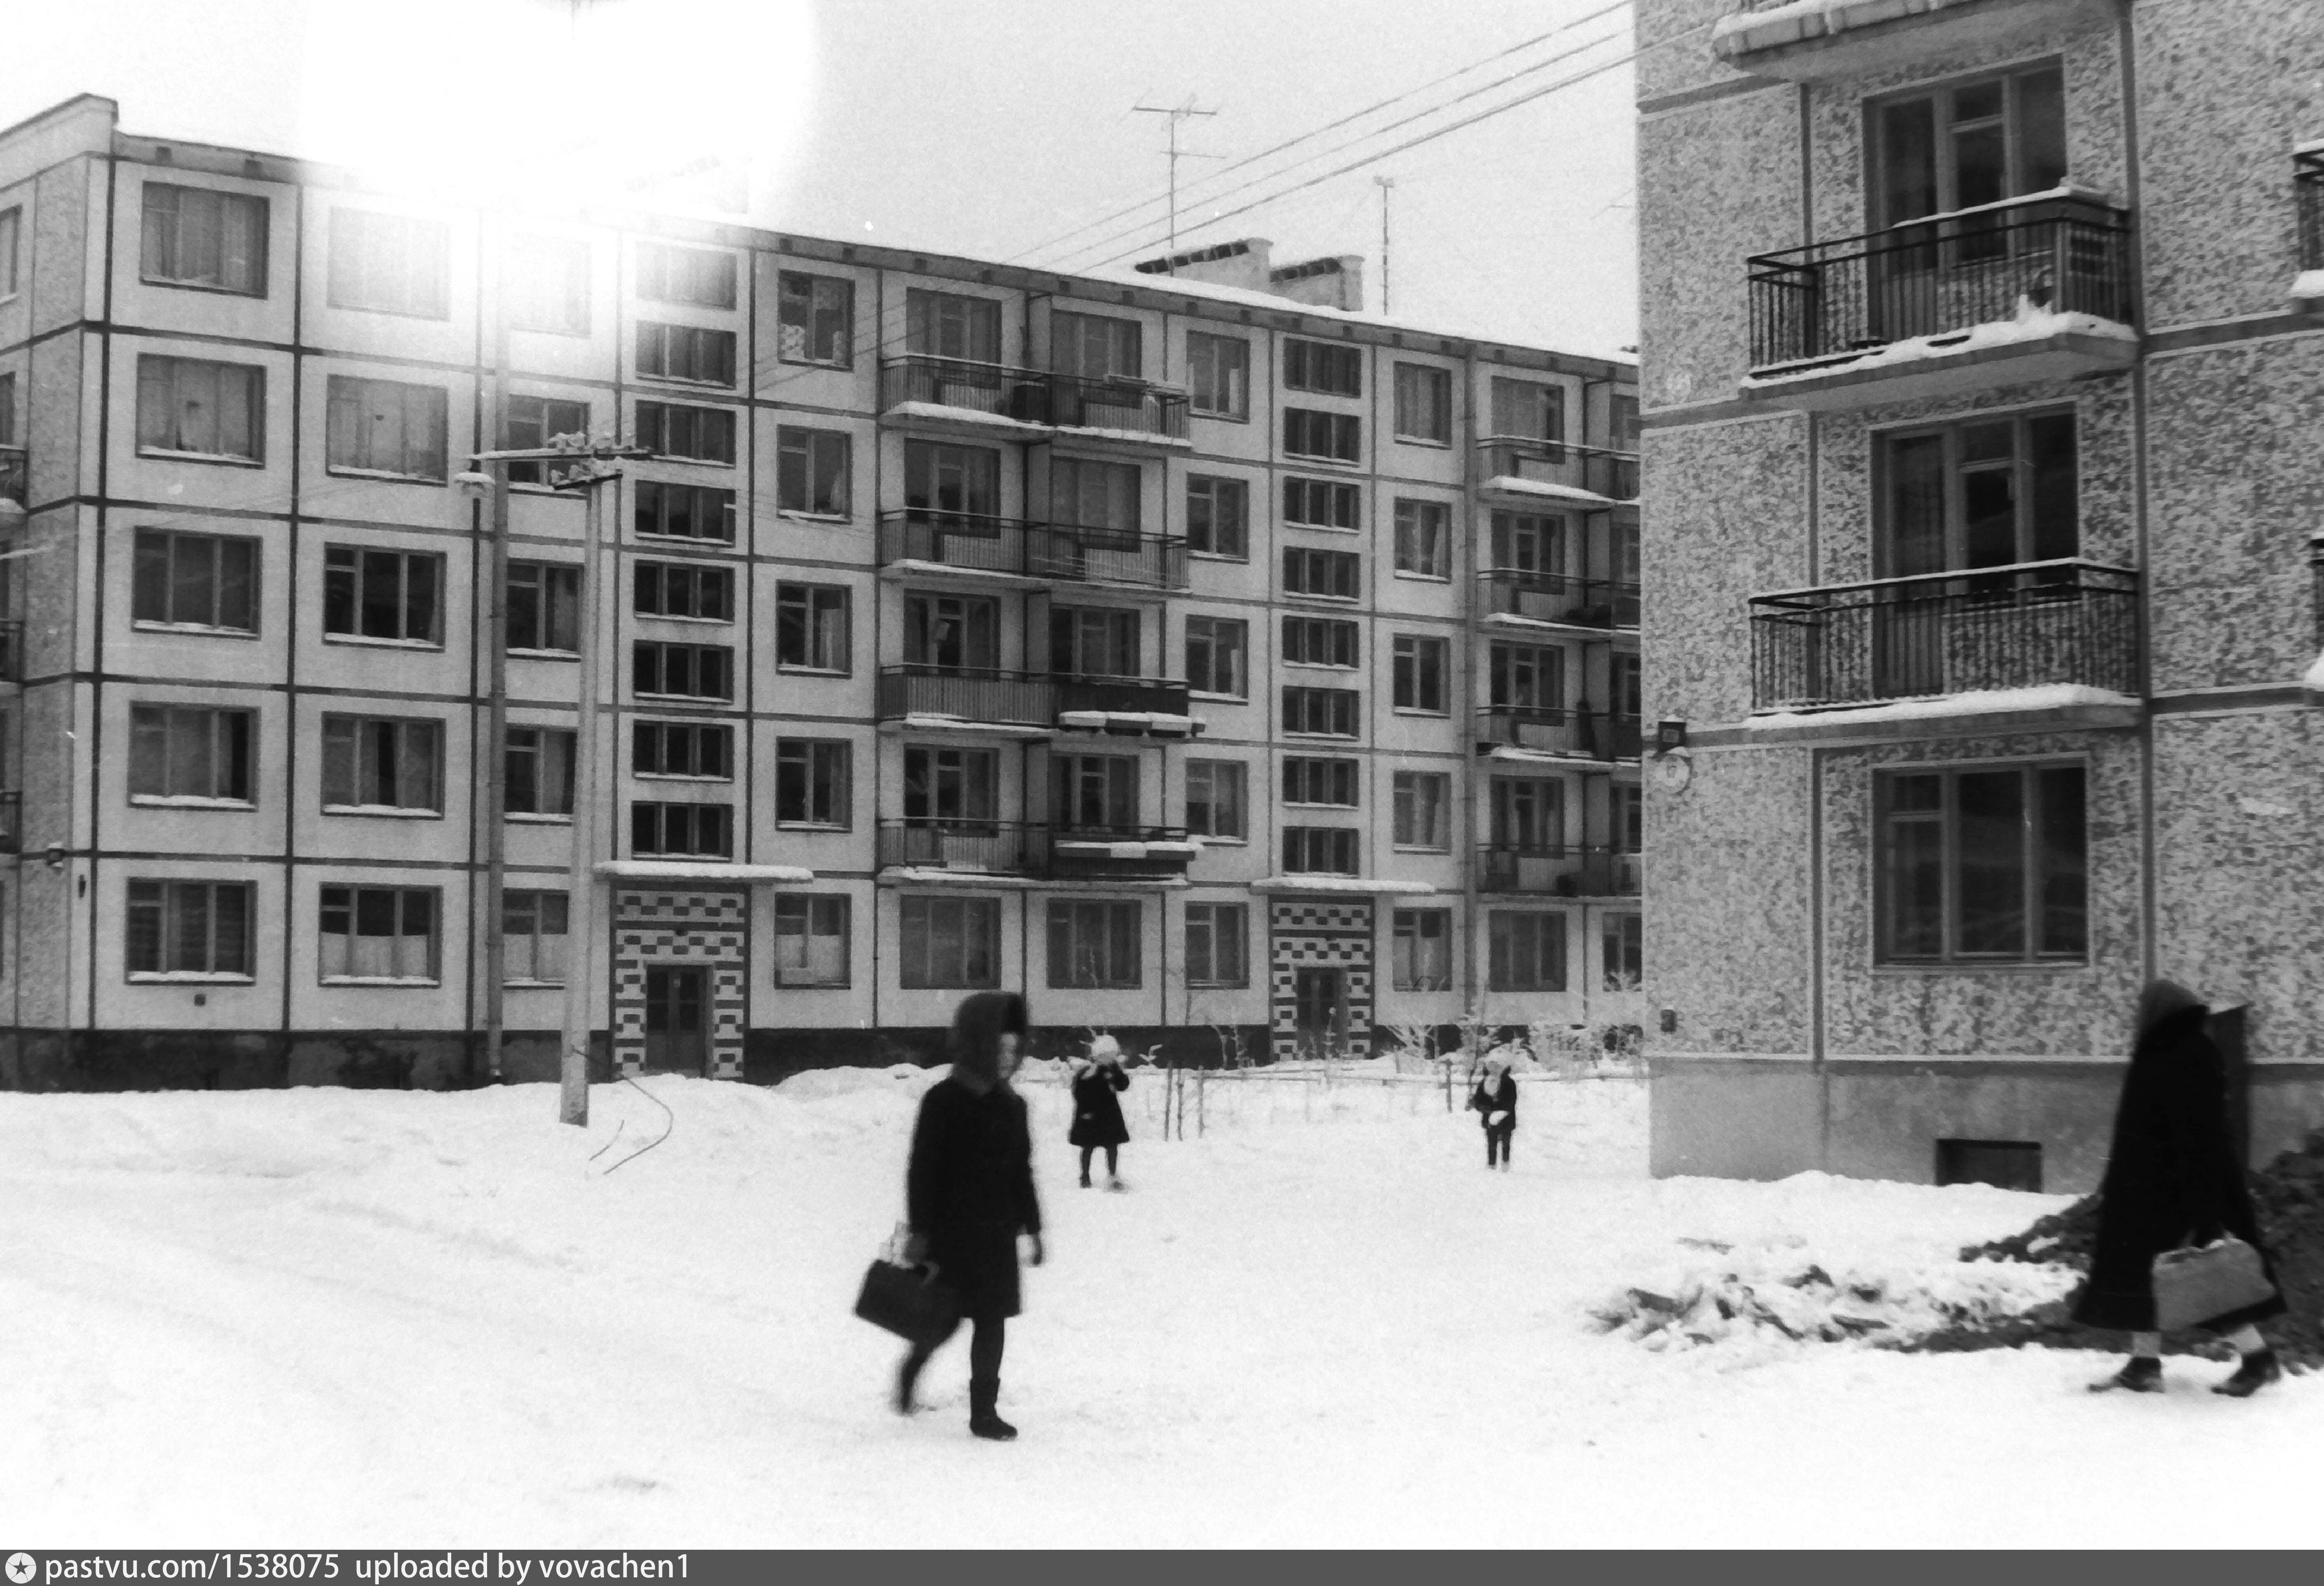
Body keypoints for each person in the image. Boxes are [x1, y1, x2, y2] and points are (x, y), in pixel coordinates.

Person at [2078, 979, 2285, 1397]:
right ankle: (2144, 1363)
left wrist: (2205, 1211)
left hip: (2172, 1191)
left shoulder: (2179, 1054)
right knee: (2143, 1275)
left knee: (2209, 1274)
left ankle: (2259, 1358)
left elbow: (2196, 1134)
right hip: (2149, 1189)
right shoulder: (2175, 1049)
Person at [896, 991, 1045, 1440]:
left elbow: (1022, 1170)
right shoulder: (943, 1100)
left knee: (992, 1320)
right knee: (942, 1318)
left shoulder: (1012, 1105)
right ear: (978, 1044)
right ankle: (912, 1369)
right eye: (1000, 1048)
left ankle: (984, 1413)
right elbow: (922, 1170)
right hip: (950, 1232)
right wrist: (920, 1230)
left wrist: (1034, 1227)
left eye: (1015, 1050)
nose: (1009, 1059)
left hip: (996, 1233)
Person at [1069, 1036, 1131, 1189]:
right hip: (1091, 1115)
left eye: (1111, 1056)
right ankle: (1085, 1176)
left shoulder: (1113, 1070)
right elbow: (1079, 1092)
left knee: (1112, 1146)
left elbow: (1123, 1086)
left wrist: (1116, 1072)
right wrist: (1085, 1111)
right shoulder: (1088, 1072)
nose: (1108, 1059)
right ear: (1097, 1055)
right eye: (1105, 1056)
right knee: (1088, 1146)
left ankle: (1112, 1175)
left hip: (1110, 1115)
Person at [1470, 1056, 1518, 1171]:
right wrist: (1488, 1109)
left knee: (1506, 1143)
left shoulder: (1509, 1083)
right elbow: (1479, 1101)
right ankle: (1492, 1166)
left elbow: (1511, 1102)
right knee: (1492, 1144)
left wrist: (1498, 1107)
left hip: (1506, 1118)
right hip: (1489, 1119)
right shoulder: (1484, 1083)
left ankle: (1505, 1166)